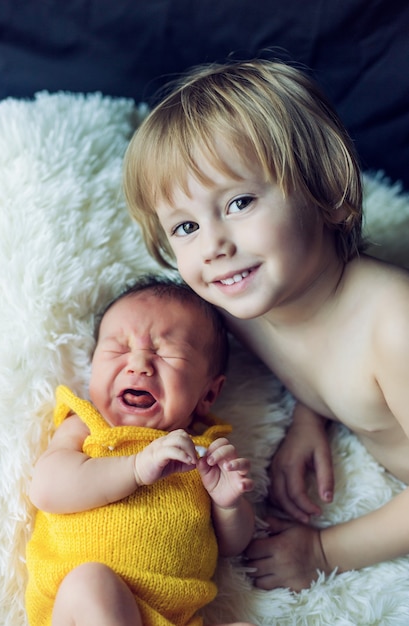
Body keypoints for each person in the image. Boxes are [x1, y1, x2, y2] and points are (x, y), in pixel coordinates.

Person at [123, 58, 409, 592]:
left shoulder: (393, 327)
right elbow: (319, 362)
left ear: (326, 191)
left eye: (239, 202)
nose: (214, 246)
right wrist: (310, 417)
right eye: (185, 226)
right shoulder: (240, 309)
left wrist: (323, 549)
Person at [25, 276, 256, 626]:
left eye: (167, 353)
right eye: (118, 349)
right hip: (83, 607)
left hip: (172, 618)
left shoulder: (204, 453)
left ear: (208, 394)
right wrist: (134, 468)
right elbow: (47, 489)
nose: (139, 365)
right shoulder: (89, 424)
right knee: (92, 582)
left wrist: (229, 504)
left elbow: (232, 546)